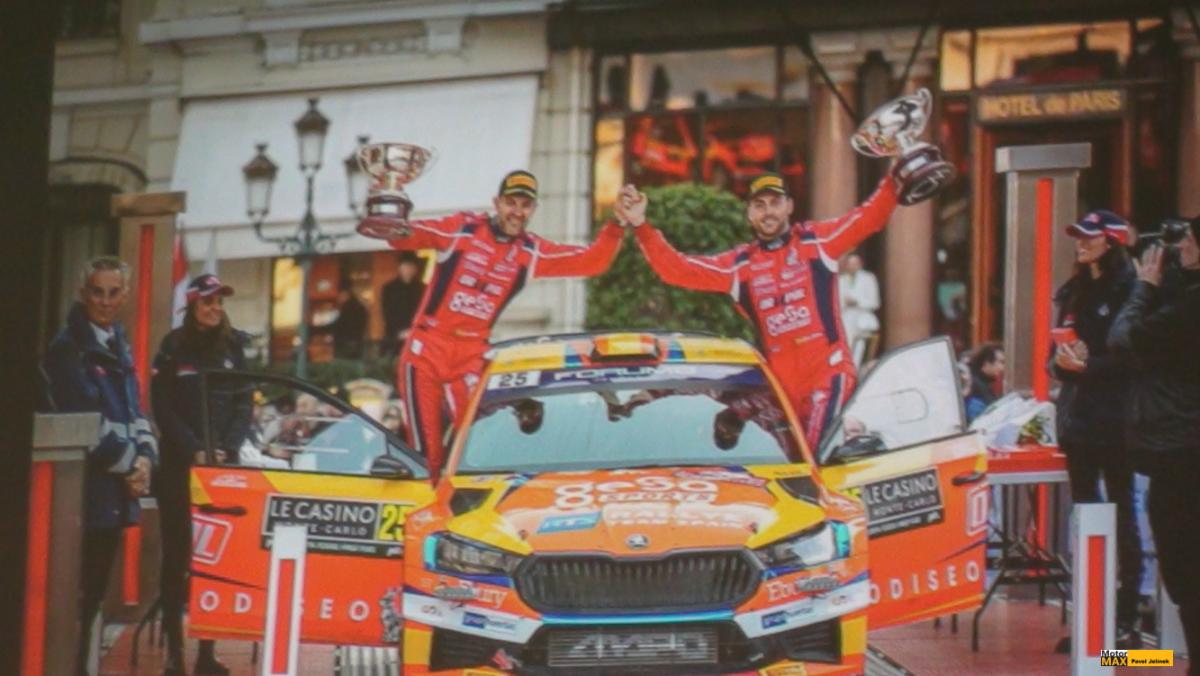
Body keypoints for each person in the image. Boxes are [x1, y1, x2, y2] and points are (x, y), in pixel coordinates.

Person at [357, 169, 625, 478]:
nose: (517, 212)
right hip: (427, 350)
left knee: (479, 446)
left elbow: (592, 262)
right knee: (425, 456)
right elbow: (400, 238)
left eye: (525, 205)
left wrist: (617, 224)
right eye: (511, 203)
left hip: (471, 355)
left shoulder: (530, 251)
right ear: (496, 203)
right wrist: (385, 197)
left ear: (534, 209)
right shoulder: (462, 229)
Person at [616, 171, 900, 448]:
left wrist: (894, 179)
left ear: (789, 206)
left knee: (816, 454)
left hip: (827, 374)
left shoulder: (816, 242)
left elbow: (868, 218)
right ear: (749, 214)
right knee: (793, 461)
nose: (768, 212)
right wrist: (641, 225)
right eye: (759, 205)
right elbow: (677, 270)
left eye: (775, 203)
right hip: (780, 386)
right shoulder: (740, 266)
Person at [43, 256, 157, 676]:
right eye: (97, 292)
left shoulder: (117, 343)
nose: (105, 301)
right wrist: (132, 467)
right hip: (82, 494)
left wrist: (146, 460)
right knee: (76, 599)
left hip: (112, 494)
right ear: (83, 293)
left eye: (113, 292)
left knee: (94, 597)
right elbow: (85, 422)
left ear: (124, 295)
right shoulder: (67, 348)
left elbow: (136, 412)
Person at [1109, 217, 1200, 672]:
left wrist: (1144, 286)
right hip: (1170, 446)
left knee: (1184, 569)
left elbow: (1124, 339)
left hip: (1178, 451)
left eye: (1189, 241)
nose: (1181, 248)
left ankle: (1171, 654)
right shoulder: (1184, 300)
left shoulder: (1186, 310)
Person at [151, 274, 252, 676]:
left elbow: (245, 404)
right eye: (208, 302)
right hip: (179, 467)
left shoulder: (234, 347)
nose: (215, 308)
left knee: (215, 562)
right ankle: (175, 655)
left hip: (220, 470)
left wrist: (228, 447)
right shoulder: (173, 346)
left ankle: (206, 653)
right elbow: (161, 406)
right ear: (192, 305)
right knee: (177, 559)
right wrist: (192, 446)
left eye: (219, 302)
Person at [1051, 209, 1143, 643]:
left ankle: (1126, 622)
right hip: (1079, 421)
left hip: (1117, 420)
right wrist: (1063, 363)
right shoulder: (1073, 290)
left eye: (1090, 236)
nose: (1081, 243)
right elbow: (1057, 358)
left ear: (1112, 241)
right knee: (1085, 516)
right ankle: (1092, 623)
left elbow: (1135, 360)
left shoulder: (1132, 290)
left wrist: (1088, 367)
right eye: (1078, 236)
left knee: (1122, 513)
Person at [838, 251, 880, 364]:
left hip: (863, 317)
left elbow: (875, 303)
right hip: (846, 317)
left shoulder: (868, 278)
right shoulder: (841, 280)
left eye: (855, 264)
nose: (852, 267)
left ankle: (856, 366)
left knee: (859, 347)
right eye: (850, 264)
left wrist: (857, 302)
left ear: (860, 264)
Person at [380, 251, 426, 355]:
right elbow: (387, 313)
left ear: (415, 269)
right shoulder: (389, 289)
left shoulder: (422, 289)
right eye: (405, 266)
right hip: (394, 337)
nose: (408, 269)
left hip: (418, 336)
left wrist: (415, 331)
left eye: (411, 266)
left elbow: (425, 312)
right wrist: (399, 332)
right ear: (399, 267)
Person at [326, 284, 368, 359]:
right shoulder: (358, 307)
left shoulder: (349, 308)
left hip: (346, 346)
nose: (338, 298)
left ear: (345, 294)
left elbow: (339, 326)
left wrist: (314, 330)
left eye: (339, 295)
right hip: (356, 345)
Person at [966, 343, 1004, 418]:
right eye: (1001, 362)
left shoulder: (981, 383)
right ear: (986, 363)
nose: (1002, 368)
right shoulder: (975, 386)